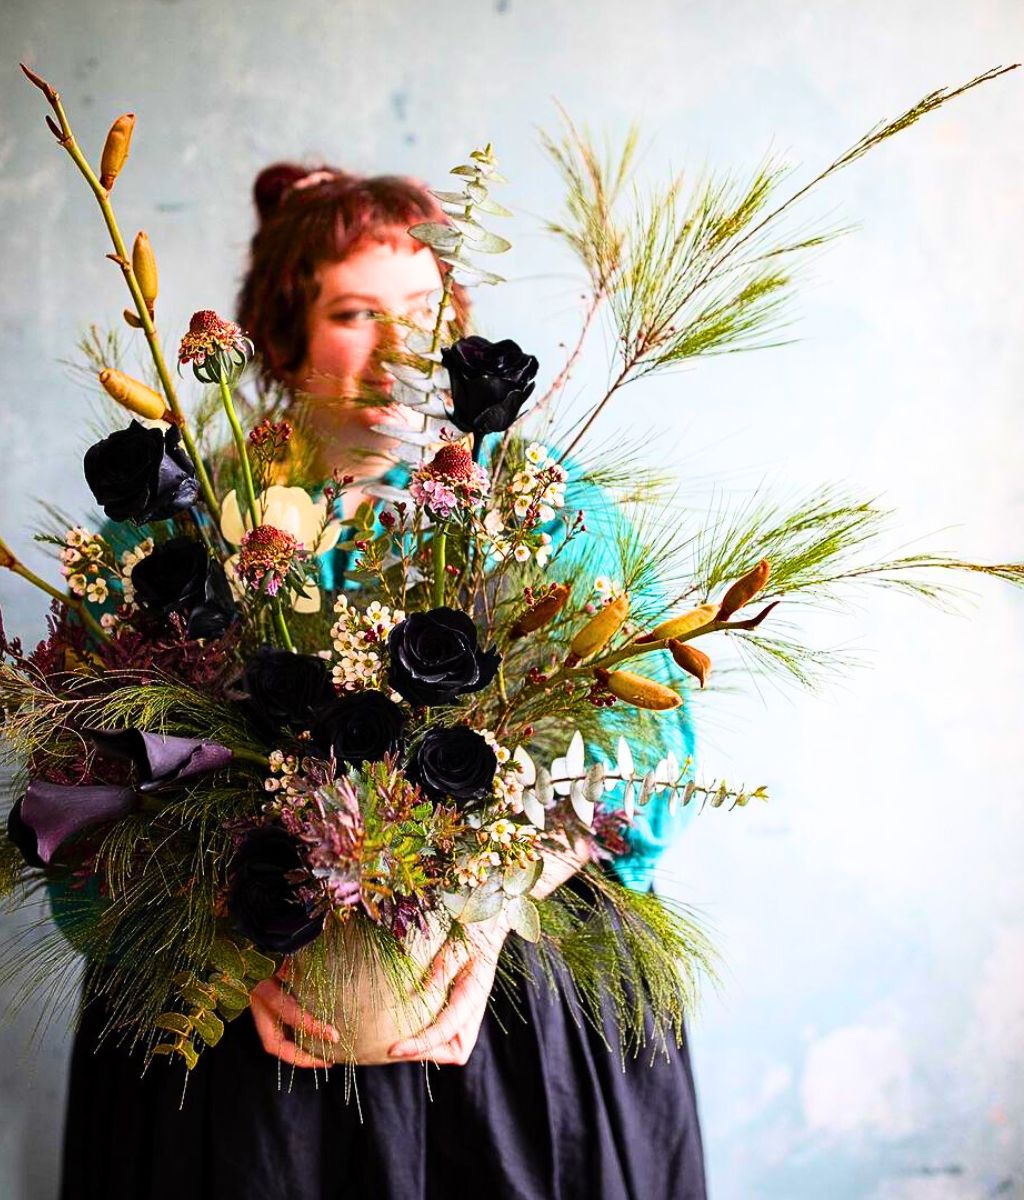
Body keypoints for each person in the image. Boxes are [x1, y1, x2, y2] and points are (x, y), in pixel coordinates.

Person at [59, 162, 705, 1200]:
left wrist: (493, 904)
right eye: (357, 314)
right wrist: (230, 936)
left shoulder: (550, 511)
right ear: (279, 339)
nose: (399, 352)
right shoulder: (177, 531)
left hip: (496, 1014)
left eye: (422, 312)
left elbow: (650, 748)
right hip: (235, 1031)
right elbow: (75, 777)